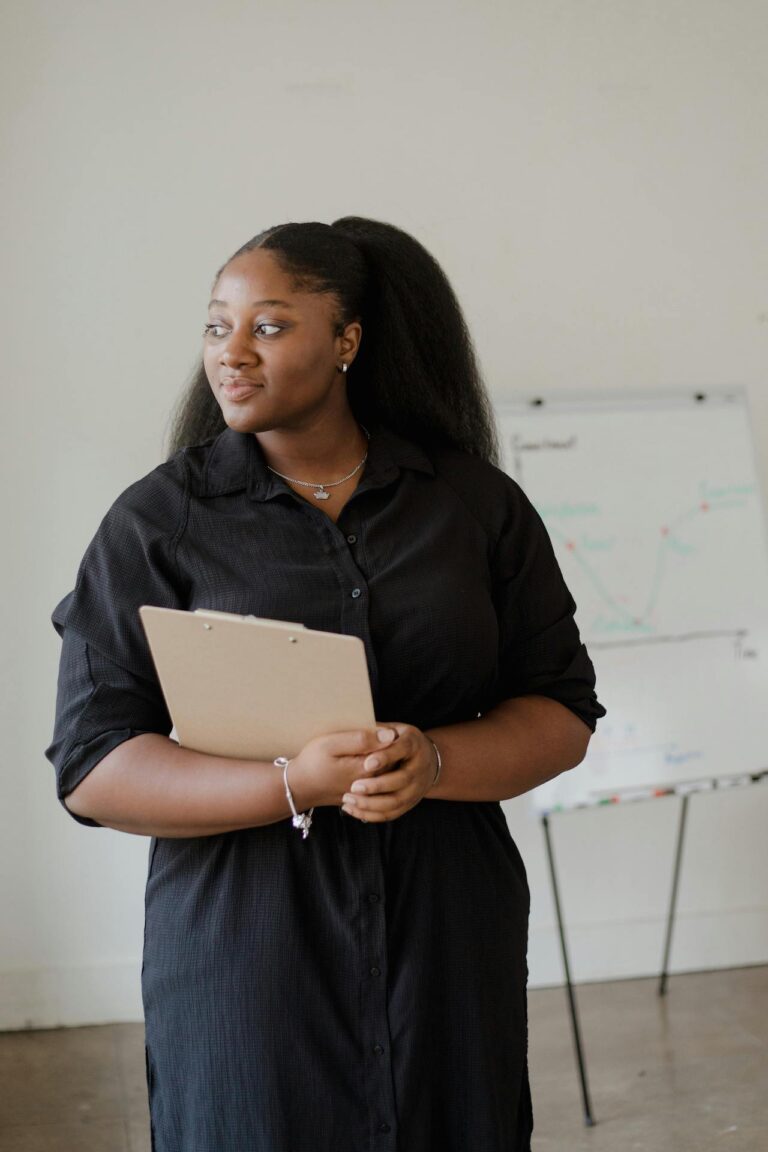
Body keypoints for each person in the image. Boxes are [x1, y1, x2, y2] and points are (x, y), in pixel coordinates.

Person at [45, 217, 605, 1151]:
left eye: (268, 326)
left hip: (448, 931)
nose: (232, 354)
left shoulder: (474, 505)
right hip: (245, 948)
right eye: (217, 326)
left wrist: (432, 760)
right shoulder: (158, 522)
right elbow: (94, 765)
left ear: (347, 341)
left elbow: (562, 707)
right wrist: (293, 783)